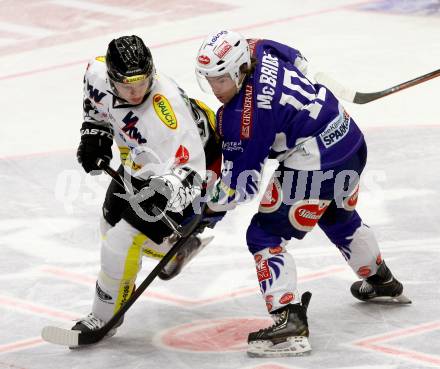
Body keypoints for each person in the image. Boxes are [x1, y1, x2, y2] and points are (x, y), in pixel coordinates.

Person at [195, 30, 410, 357]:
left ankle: (288, 322)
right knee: (338, 217)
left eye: (221, 79)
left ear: (240, 68)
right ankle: (382, 281)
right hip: (349, 139)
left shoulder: (239, 116)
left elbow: (242, 187)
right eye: (209, 79)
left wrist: (206, 211)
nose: (215, 88)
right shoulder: (259, 47)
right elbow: (300, 61)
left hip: (317, 164)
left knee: (263, 235)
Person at [74, 35, 222, 337]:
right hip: (142, 160)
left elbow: (191, 172)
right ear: (112, 78)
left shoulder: (165, 113)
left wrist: (166, 191)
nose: (136, 91)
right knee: (109, 223)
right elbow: (95, 105)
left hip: (198, 164)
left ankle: (103, 317)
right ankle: (171, 247)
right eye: (127, 85)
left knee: (121, 242)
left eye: (142, 82)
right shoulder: (97, 73)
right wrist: (94, 133)